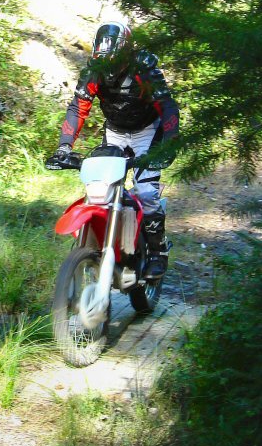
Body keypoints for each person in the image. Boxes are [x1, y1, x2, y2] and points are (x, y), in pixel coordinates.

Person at [46, 20, 179, 278]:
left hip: (147, 131)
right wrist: (64, 147)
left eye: (114, 62)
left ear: (126, 53)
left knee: (146, 192)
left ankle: (157, 251)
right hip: (115, 132)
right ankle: (106, 246)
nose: (109, 69)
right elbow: (78, 106)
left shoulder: (144, 67)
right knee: (101, 189)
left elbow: (167, 105)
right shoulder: (94, 70)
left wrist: (171, 141)